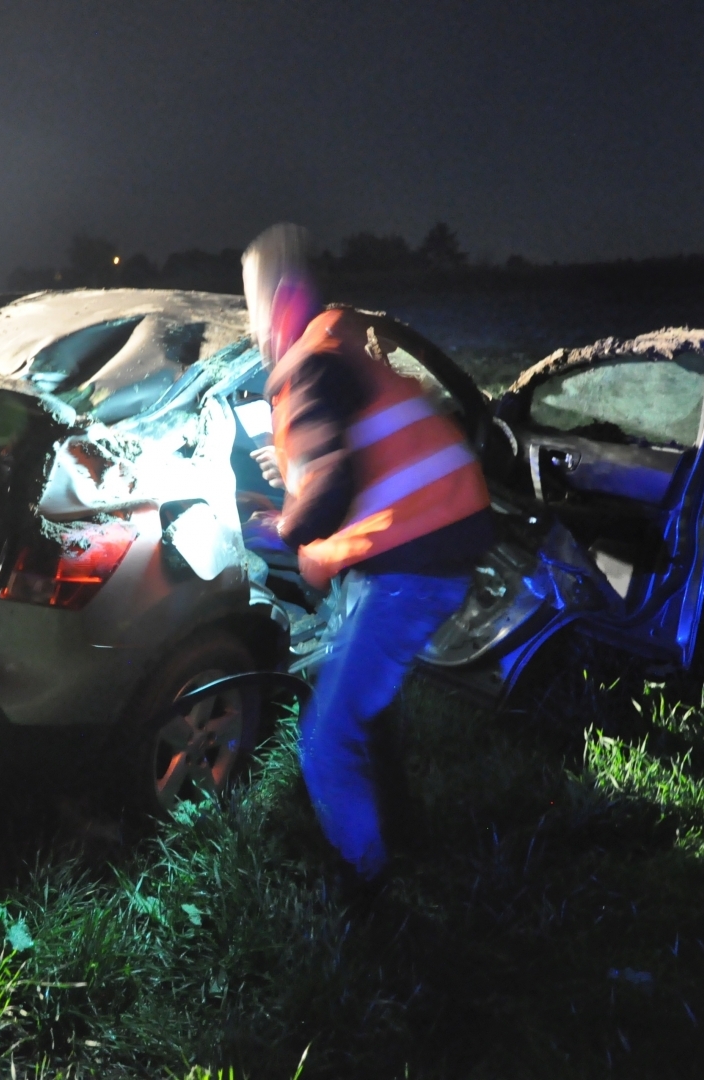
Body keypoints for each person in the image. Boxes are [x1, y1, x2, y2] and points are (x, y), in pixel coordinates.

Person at [241, 223, 495, 882]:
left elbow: (331, 486)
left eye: (254, 303)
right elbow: (347, 450)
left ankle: (365, 892)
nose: (253, 324)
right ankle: (404, 836)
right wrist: (294, 471)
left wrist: (284, 528)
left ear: (282, 299)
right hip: (443, 535)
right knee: (371, 712)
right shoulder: (339, 342)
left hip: (413, 564)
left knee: (325, 741)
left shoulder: (310, 362)